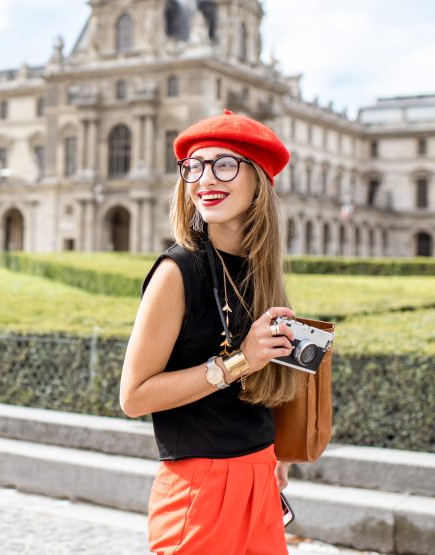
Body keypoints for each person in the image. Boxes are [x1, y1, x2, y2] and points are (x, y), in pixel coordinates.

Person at [120, 110, 304, 554]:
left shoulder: (260, 272)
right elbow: (134, 396)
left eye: (224, 164)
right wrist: (241, 359)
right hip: (199, 487)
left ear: (258, 178)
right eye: (194, 166)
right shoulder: (177, 270)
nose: (204, 179)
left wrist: (275, 455)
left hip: (259, 474)